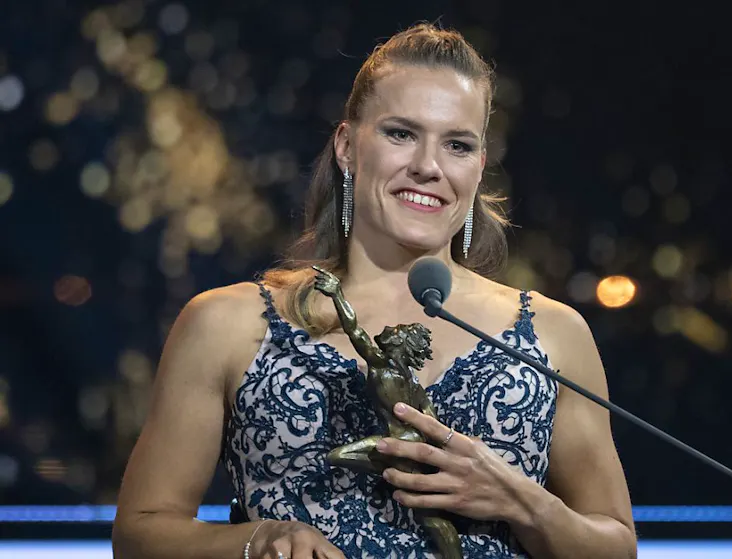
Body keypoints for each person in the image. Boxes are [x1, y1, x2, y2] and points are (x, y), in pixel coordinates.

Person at [112, 22, 637, 559]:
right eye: (400, 134)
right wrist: (257, 539)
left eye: (457, 145)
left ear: (479, 168)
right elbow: (139, 535)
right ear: (346, 146)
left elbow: (617, 548)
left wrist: (526, 503)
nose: (428, 167)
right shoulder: (225, 325)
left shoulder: (553, 336)